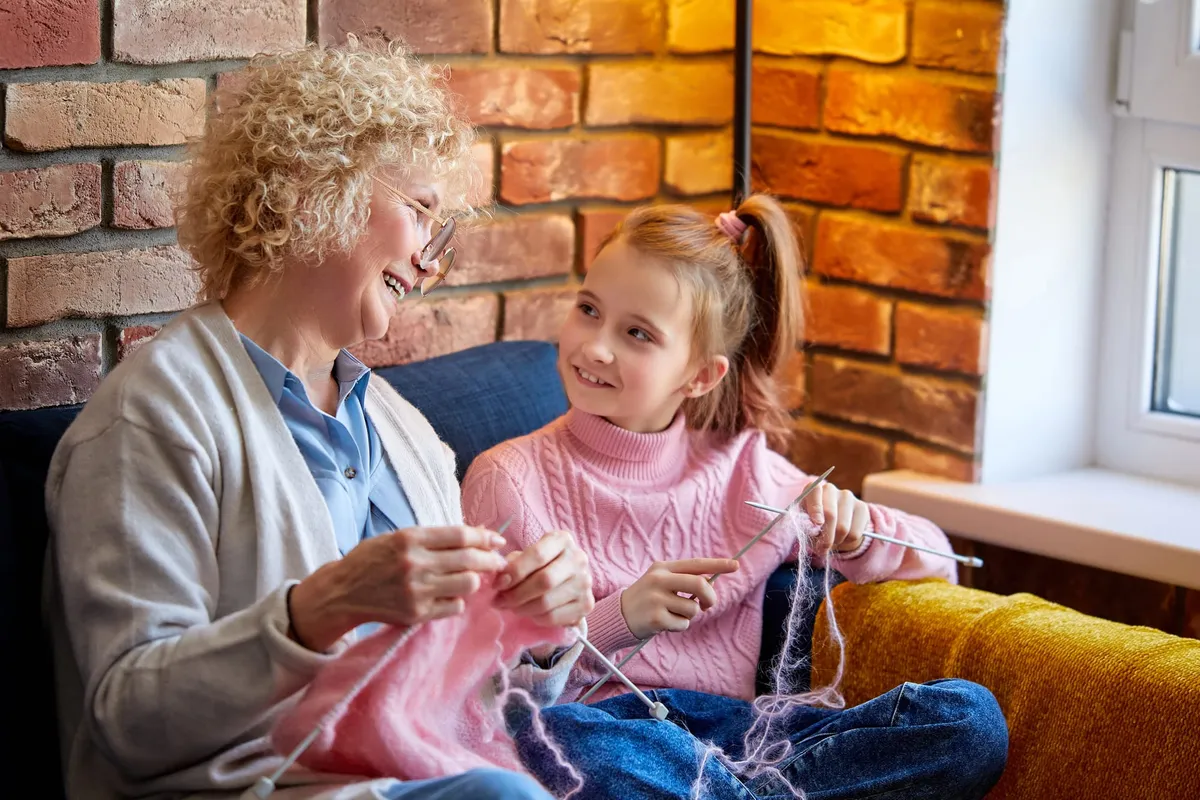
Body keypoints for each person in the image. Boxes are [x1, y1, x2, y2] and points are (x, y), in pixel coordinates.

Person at [44, 38, 593, 800]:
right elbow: (128, 718)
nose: (433, 263)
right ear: (314, 185)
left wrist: (539, 635)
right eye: (420, 212)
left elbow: (469, 708)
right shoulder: (152, 416)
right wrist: (318, 610)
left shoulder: (406, 433)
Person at [461, 196, 1009, 799]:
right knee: (564, 743)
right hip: (605, 735)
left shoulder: (743, 470)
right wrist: (619, 619)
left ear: (700, 376)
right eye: (588, 309)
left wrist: (857, 530)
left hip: (738, 739)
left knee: (969, 721)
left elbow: (940, 560)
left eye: (637, 333)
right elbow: (477, 689)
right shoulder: (507, 479)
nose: (595, 346)